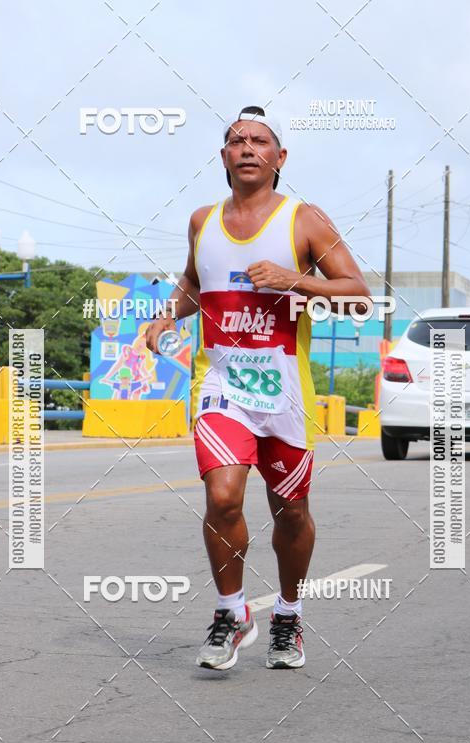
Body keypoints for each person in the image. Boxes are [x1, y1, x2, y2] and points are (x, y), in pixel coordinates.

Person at [145, 105, 370, 671]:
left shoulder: (304, 220)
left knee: (290, 511)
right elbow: (196, 282)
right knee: (222, 497)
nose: (247, 148)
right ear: (224, 157)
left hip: (286, 391)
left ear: (279, 158)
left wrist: (294, 278)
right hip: (221, 383)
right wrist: (168, 316)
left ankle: (288, 615)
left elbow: (358, 292)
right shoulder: (201, 221)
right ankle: (231, 611)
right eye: (236, 141)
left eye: (259, 141)